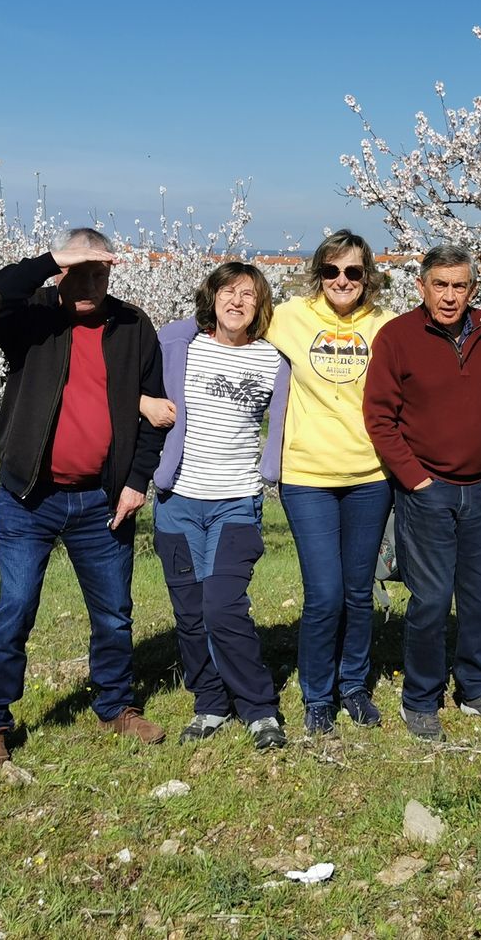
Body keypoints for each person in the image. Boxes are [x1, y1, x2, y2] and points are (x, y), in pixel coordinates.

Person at [0, 228, 168, 769]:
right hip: (29, 498)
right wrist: (49, 261)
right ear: (61, 270)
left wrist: (134, 482)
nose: (90, 284)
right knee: (14, 608)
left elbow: (155, 411)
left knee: (114, 614)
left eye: (99, 274)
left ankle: (115, 705)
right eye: (79, 272)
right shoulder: (32, 315)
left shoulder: (131, 325)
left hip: (102, 500)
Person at [363, 244, 481, 741]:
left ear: (472, 289)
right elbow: (379, 418)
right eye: (440, 285)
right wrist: (416, 479)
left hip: (477, 488)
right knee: (430, 599)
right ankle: (421, 697)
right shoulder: (398, 337)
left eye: (459, 286)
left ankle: (477, 686)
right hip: (427, 489)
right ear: (422, 286)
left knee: (477, 596)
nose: (450, 296)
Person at [262, 230, 397, 735]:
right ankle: (317, 695)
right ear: (319, 274)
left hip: (369, 476)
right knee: (324, 593)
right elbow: (218, 323)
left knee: (359, 591)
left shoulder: (386, 325)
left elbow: (442, 333)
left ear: (368, 278)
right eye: (332, 271)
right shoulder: (290, 317)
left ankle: (354, 687)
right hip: (307, 476)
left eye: (354, 272)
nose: (343, 280)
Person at [150, 262, 289, 750]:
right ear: (211, 299)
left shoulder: (274, 358)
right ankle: (210, 703)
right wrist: (144, 405)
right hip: (178, 501)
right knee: (190, 613)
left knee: (223, 607)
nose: (236, 301)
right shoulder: (179, 345)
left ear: (260, 304)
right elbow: (119, 376)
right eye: (227, 291)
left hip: (236, 499)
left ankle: (259, 709)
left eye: (248, 294)